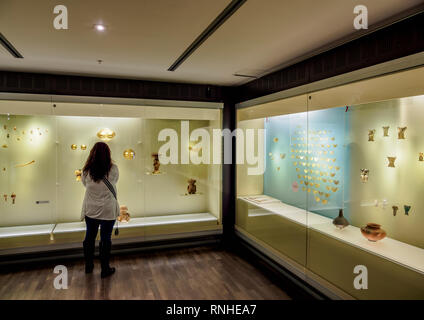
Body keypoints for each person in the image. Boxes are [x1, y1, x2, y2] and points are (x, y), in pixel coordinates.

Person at [81, 142, 119, 278]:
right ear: (108, 153)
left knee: (89, 237)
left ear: (92, 153)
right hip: (108, 209)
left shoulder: (86, 170)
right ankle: (105, 269)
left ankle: (88, 266)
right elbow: (115, 181)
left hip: (91, 209)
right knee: (105, 239)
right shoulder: (113, 168)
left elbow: (85, 184)